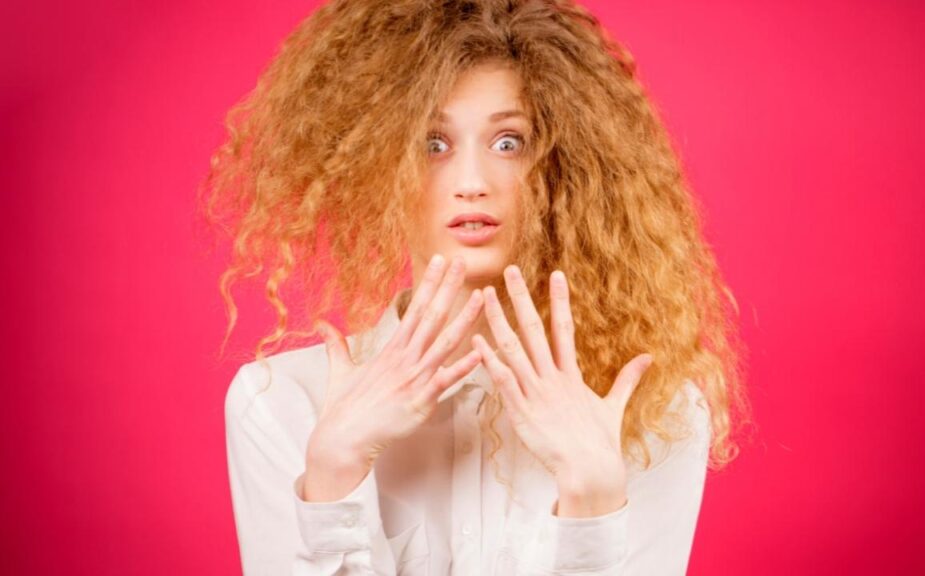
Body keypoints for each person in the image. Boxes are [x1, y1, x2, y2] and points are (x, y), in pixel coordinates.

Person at [203, 0, 747, 574]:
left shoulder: (654, 414)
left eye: (508, 142)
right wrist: (335, 474)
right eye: (432, 144)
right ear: (373, 165)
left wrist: (593, 503)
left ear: (563, 168)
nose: (471, 183)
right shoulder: (280, 404)